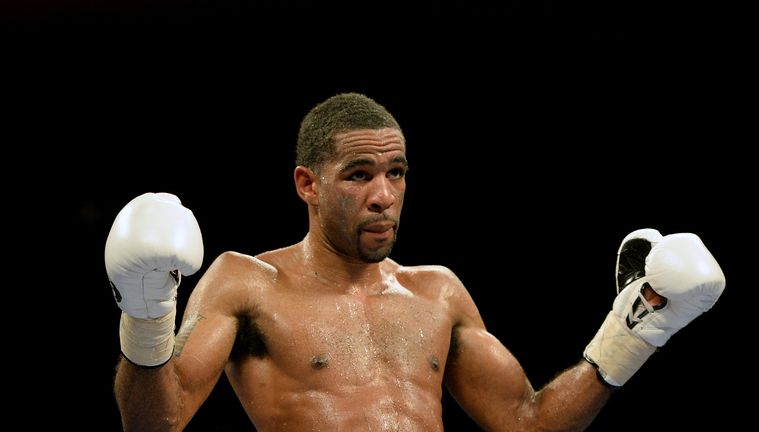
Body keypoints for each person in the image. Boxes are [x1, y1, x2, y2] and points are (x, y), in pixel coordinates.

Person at [105, 92, 726, 431]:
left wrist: (634, 332)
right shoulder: (247, 281)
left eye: (396, 173)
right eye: (359, 175)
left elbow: (527, 422)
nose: (383, 196)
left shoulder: (439, 291)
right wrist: (146, 312)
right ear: (306, 184)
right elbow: (158, 421)